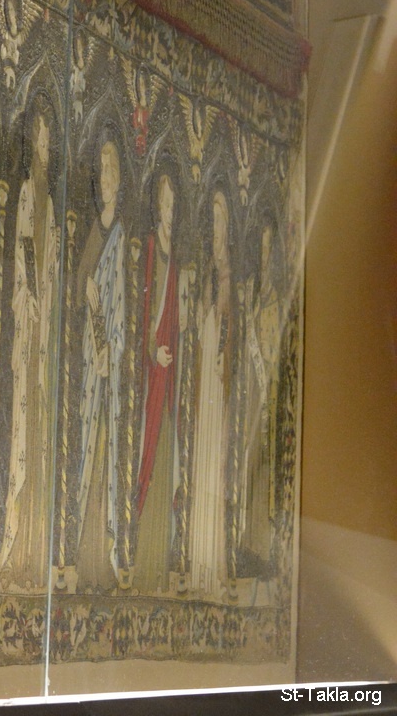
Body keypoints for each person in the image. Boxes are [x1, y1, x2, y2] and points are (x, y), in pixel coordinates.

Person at [1, 108, 58, 587]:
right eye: (39, 141)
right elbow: (22, 251)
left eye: (48, 143)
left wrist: (47, 294)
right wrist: (31, 297)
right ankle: (15, 540)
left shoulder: (52, 205)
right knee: (21, 431)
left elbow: (50, 264)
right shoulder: (24, 194)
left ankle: (37, 547)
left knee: (39, 433)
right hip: (27, 327)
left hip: (43, 337)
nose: (44, 150)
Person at [75, 139, 126, 591]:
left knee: (107, 452)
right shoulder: (96, 230)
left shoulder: (122, 236)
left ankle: (105, 558)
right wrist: (86, 290)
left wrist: (115, 346)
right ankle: (84, 556)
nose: (106, 177)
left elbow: (125, 299)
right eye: (102, 170)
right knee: (88, 451)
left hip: (112, 365)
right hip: (92, 362)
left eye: (112, 170)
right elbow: (81, 281)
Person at [133, 173, 186, 594]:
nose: (169, 212)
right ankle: (143, 558)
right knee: (147, 452)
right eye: (164, 205)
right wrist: (153, 350)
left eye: (174, 206)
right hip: (153, 374)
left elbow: (178, 317)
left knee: (167, 453)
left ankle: (160, 559)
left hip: (170, 379)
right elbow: (144, 307)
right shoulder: (152, 250)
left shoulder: (178, 260)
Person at [189, 189, 233, 599]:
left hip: (217, 384)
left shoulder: (228, 279)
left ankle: (212, 563)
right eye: (213, 220)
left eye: (222, 221)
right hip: (203, 379)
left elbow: (228, 335)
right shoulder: (206, 274)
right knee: (200, 460)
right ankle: (197, 568)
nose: (217, 228)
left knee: (213, 472)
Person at [240, 222, 281, 578]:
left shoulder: (274, 302)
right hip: (249, 395)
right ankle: (246, 543)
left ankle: (261, 547)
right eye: (261, 248)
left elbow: (273, 352)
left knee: (264, 470)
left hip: (267, 398)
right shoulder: (251, 293)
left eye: (269, 249)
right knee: (247, 464)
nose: (264, 256)